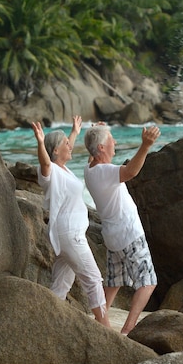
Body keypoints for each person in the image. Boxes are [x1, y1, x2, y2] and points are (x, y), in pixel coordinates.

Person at [31, 116, 110, 328]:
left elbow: (64, 149)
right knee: (93, 280)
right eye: (66, 143)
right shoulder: (49, 172)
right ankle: (105, 328)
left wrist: (75, 131)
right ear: (55, 150)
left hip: (68, 234)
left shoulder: (63, 169)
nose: (70, 146)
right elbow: (45, 161)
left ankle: (46, 326)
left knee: (60, 285)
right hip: (70, 235)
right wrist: (40, 142)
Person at [83, 123, 160, 334]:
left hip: (112, 237)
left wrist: (95, 132)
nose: (114, 142)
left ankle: (101, 321)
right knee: (148, 282)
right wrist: (145, 145)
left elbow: (92, 156)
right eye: (110, 139)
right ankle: (128, 329)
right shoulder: (105, 172)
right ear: (100, 148)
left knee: (114, 282)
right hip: (129, 234)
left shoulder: (89, 170)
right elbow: (131, 171)